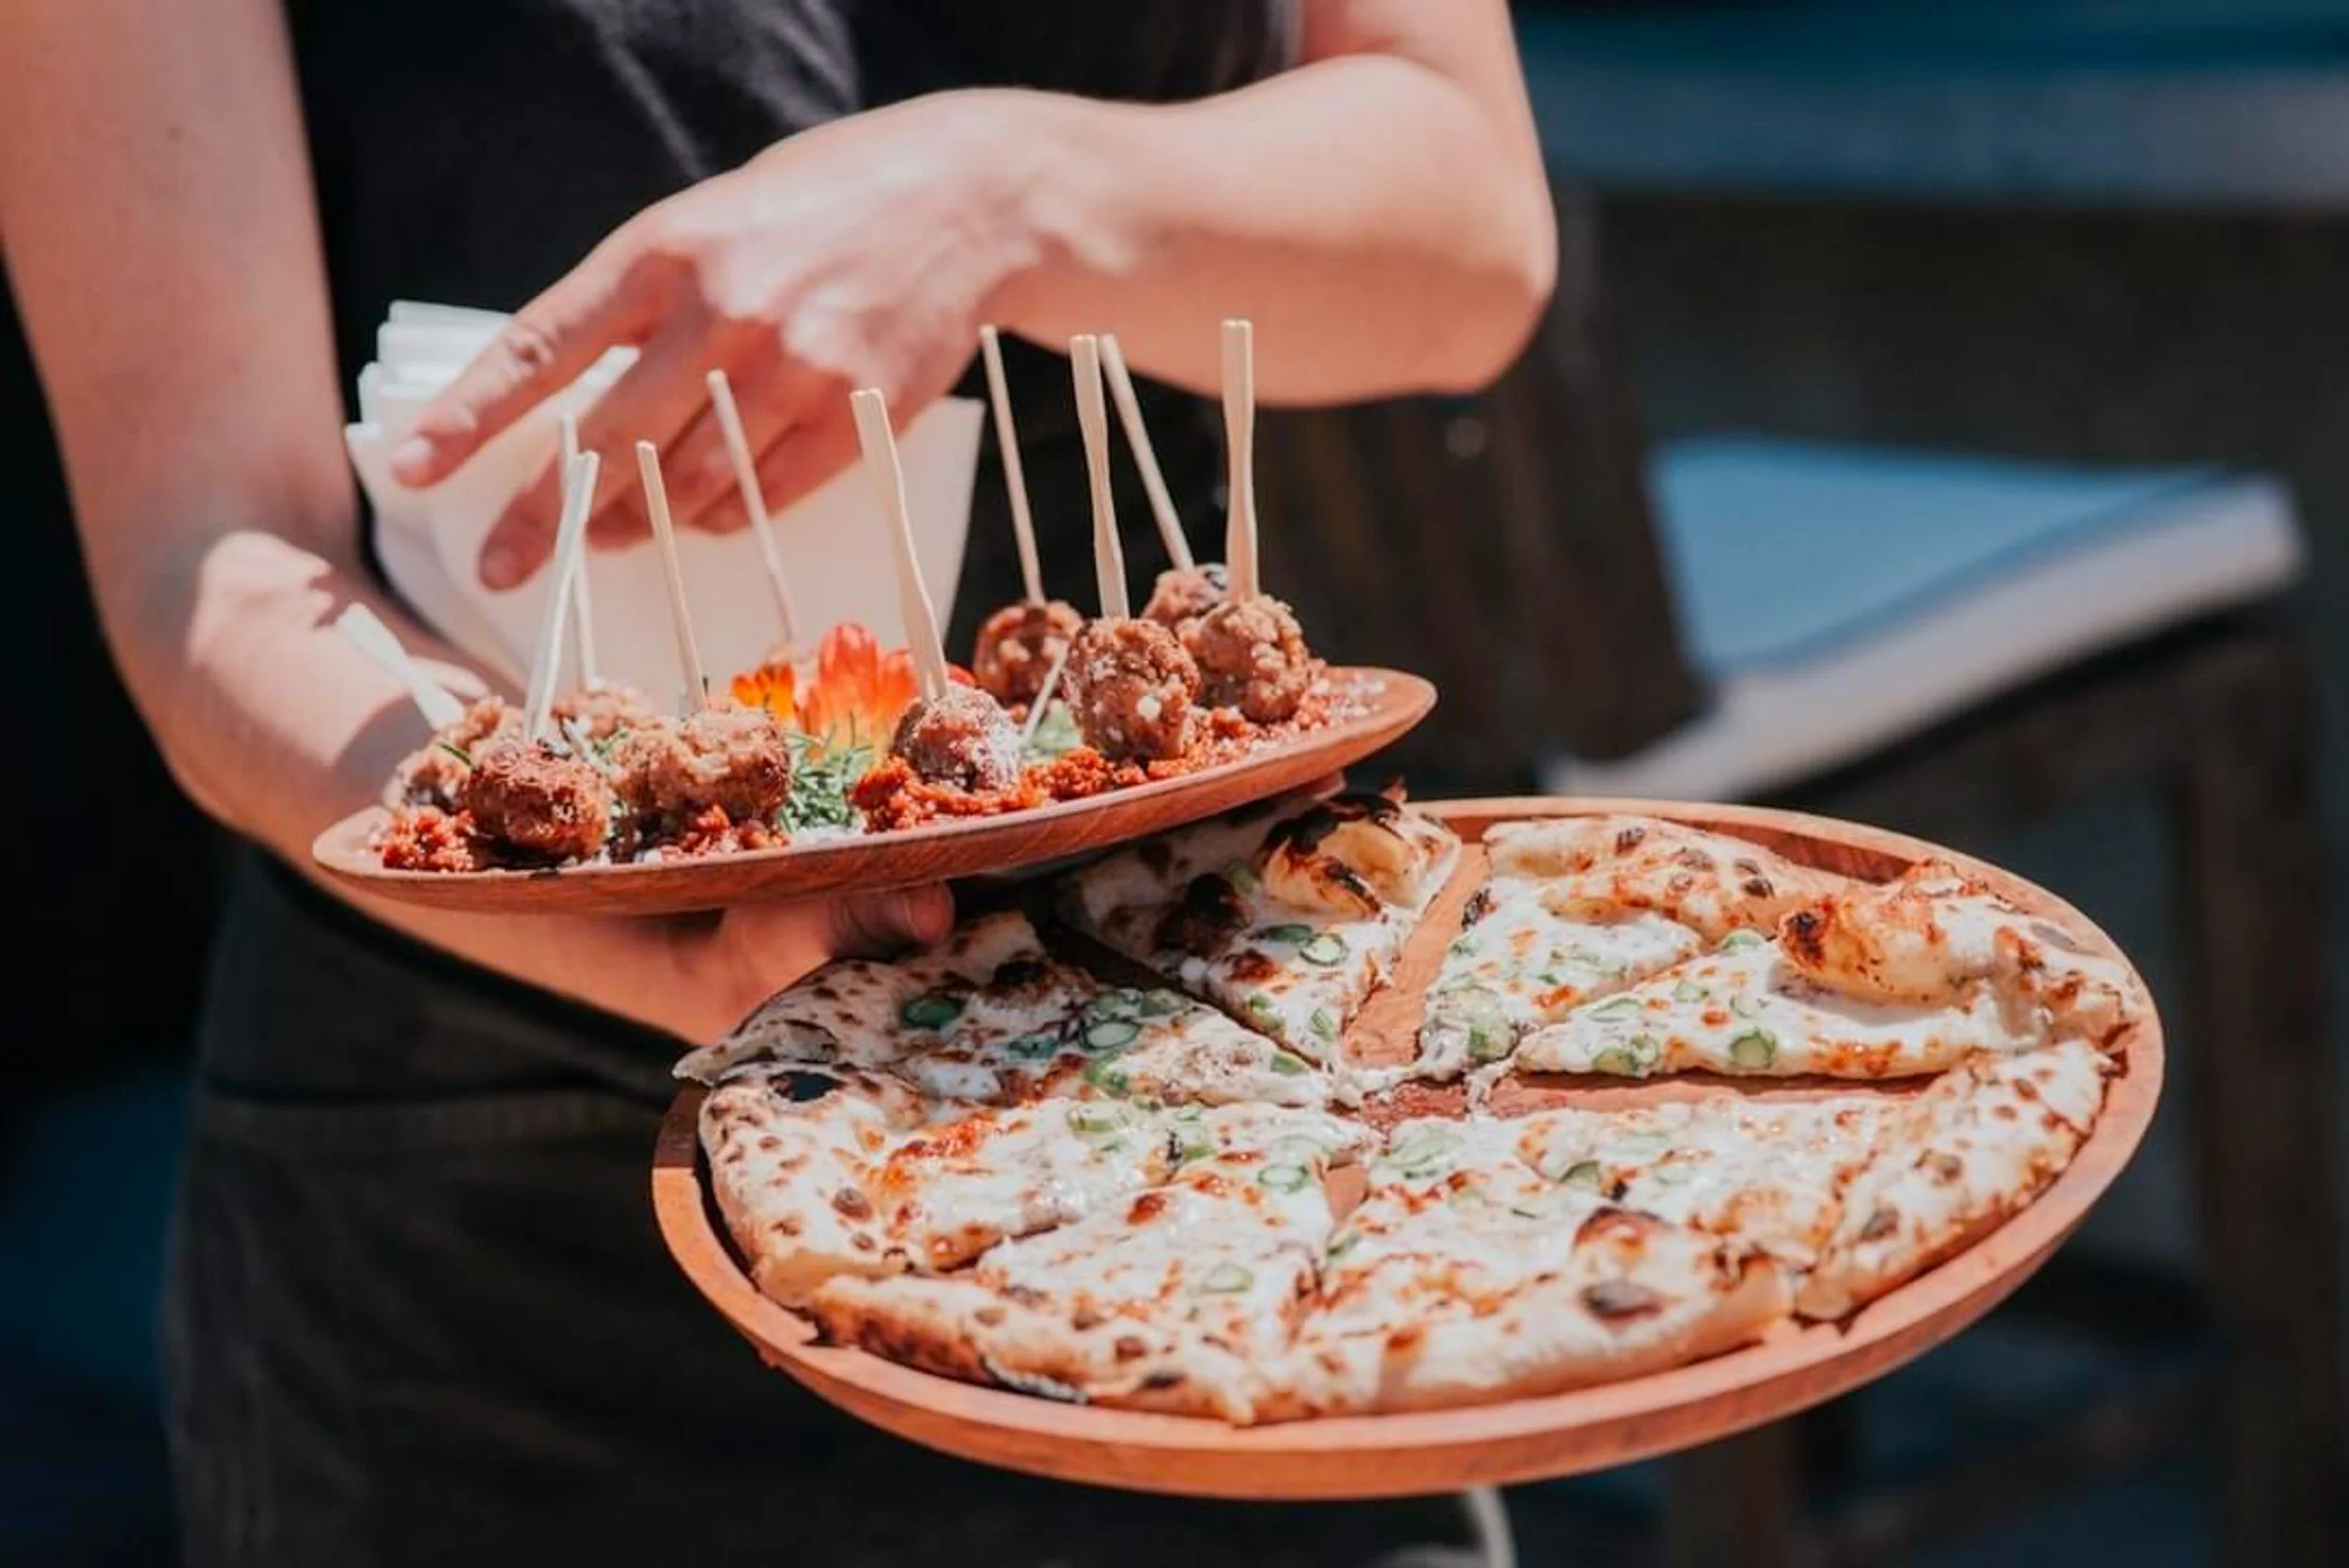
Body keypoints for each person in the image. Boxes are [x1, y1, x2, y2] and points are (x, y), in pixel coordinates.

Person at [0, 2, 1555, 1562]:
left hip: (1232, 1083)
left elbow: (1470, 233)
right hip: (506, 1216)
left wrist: (994, 191)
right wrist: (661, 924)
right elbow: (208, 551)